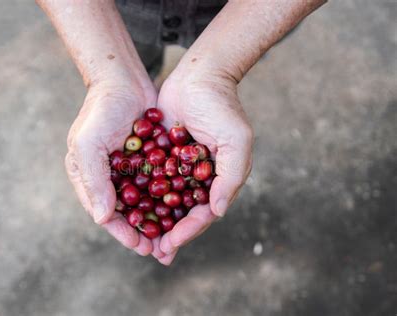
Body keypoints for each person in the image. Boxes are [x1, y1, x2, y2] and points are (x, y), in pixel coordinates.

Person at [37, 0, 326, 265]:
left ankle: (165, 76)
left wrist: (218, 71)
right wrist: (108, 75)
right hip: (114, 14)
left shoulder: (162, 171)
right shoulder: (168, 172)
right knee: (137, 56)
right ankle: (142, 75)